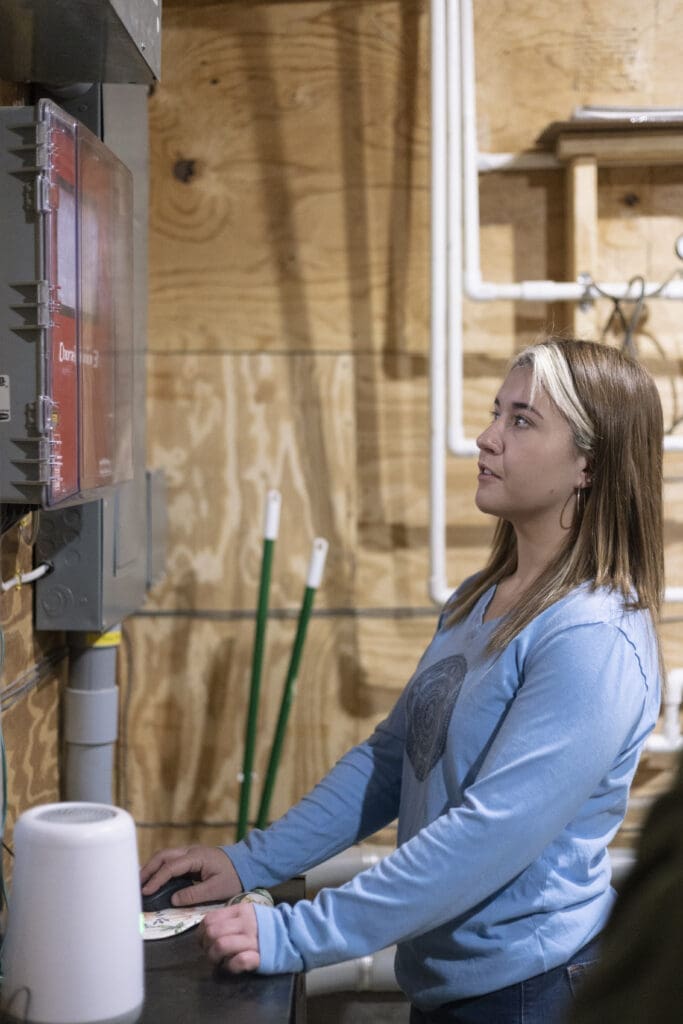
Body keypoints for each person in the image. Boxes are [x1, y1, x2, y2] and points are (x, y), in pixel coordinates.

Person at [141, 338, 664, 1023]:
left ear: (587, 466)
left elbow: (485, 838)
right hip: (448, 983)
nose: (485, 438)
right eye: (495, 413)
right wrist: (251, 862)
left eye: (521, 421)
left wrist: (297, 934)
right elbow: (393, 759)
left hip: (528, 993)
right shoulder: (483, 599)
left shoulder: (592, 640)